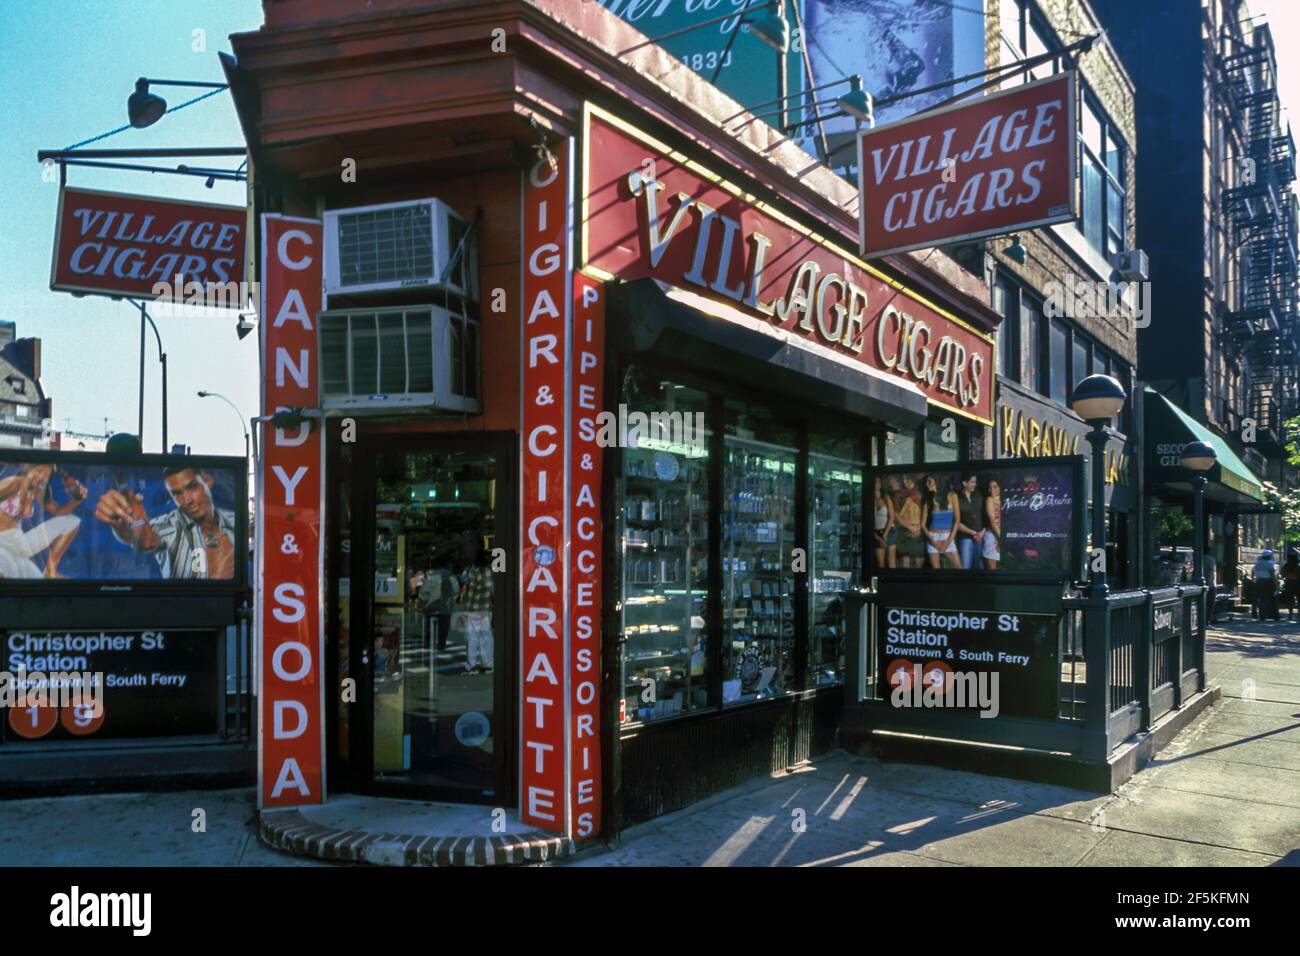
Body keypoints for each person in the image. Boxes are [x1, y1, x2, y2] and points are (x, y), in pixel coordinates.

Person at [94, 466, 237, 579]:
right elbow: (146, 538)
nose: (188, 500)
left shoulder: (234, 521)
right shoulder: (170, 526)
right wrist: (128, 522)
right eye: (177, 494)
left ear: (207, 481)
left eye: (192, 487)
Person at [0, 464, 87, 579]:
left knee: (71, 521)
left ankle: (50, 570)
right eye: (39, 470)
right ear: (29, 469)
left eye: (45, 475)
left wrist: (77, 500)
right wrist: (27, 485)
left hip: (19, 543)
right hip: (2, 540)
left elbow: (59, 511)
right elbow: (25, 510)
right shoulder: (14, 482)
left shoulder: (39, 491)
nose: (40, 476)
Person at [457, 547, 495, 674]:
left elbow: (471, 593)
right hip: (485, 608)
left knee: (472, 638)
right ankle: (487, 663)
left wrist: (466, 611)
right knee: (486, 637)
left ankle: (471, 665)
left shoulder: (473, 573)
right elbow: (492, 592)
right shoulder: (490, 573)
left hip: (473, 609)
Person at [922, 474, 961, 569]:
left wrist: (948, 541)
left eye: (929, 481)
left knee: (959, 568)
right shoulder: (928, 499)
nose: (927, 485)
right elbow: (922, 525)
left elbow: (957, 520)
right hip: (933, 537)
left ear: (937, 481)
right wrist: (934, 542)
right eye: (926, 482)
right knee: (937, 572)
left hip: (948, 536)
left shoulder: (952, 495)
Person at [954, 471, 986, 570]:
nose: (975, 484)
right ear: (964, 483)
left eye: (975, 482)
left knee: (980, 566)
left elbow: (986, 516)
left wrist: (982, 532)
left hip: (981, 535)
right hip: (965, 537)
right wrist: (973, 533)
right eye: (972, 482)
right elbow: (956, 522)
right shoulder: (956, 497)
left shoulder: (979, 494)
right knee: (965, 567)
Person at [893, 475, 925, 569]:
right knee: (905, 558)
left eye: (907, 479)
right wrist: (909, 527)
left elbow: (926, 513)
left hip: (918, 528)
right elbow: (897, 515)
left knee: (919, 558)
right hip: (906, 529)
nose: (905, 482)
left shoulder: (921, 494)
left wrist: (919, 528)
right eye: (904, 479)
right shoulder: (900, 495)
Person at [873, 476, 896, 570]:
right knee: (880, 564)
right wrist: (877, 536)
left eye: (878, 481)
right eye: (875, 481)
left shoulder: (886, 498)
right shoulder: (869, 499)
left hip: (889, 530)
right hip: (876, 532)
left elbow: (892, 517)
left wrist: (884, 535)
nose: (876, 483)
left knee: (891, 563)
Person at [1251, 550, 1280, 621]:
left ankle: (1262, 615)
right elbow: (1272, 574)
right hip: (1268, 582)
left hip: (1259, 581)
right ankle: (1273, 615)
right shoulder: (1270, 563)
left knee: (1262, 599)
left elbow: (1253, 572)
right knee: (1271, 598)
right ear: (1270, 556)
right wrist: (1276, 584)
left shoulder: (1257, 563)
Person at [982, 478, 1003, 570]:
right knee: (992, 570)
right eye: (990, 488)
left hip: (1003, 534)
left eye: (995, 487)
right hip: (993, 536)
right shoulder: (989, 499)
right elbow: (992, 521)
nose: (992, 490)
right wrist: (1001, 540)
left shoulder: (1005, 499)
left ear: (1000, 488)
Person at [1281, 551, 1300, 622]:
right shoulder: (1298, 565)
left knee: (1290, 599)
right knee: (1299, 599)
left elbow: (1282, 573)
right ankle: (1299, 614)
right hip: (1298, 583)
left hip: (1288, 583)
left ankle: (1290, 614)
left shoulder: (1286, 565)